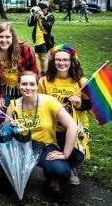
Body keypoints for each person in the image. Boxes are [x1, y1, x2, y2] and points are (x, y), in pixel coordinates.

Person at [0, 71, 78, 192]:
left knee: (60, 170)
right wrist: (11, 127)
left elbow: (72, 126)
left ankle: (51, 178)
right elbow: (6, 134)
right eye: (24, 84)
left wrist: (65, 154)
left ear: (37, 86)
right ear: (19, 85)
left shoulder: (49, 101)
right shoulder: (13, 105)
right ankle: (15, 174)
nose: (28, 87)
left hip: (45, 146)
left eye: (32, 84)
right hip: (21, 145)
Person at [38, 44, 91, 185]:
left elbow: (90, 105)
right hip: (53, 129)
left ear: (72, 61)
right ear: (53, 61)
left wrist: (80, 104)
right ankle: (53, 173)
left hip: (75, 128)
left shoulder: (81, 82)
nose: (62, 63)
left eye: (65, 60)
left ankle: (71, 166)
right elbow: (40, 105)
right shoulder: (44, 81)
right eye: (58, 60)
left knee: (78, 156)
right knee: (53, 158)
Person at [0, 23, 39, 110]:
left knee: (24, 109)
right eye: (0, 37)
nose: (4, 40)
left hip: (23, 84)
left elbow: (33, 70)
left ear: (13, 37)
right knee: (3, 109)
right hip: (1, 86)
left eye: (7, 37)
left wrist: (31, 89)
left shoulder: (24, 49)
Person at [27, 0, 55, 75]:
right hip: (37, 39)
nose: (41, 10)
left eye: (43, 8)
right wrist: (32, 15)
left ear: (47, 8)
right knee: (39, 58)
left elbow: (48, 27)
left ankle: (46, 75)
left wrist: (42, 18)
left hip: (44, 39)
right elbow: (30, 24)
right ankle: (42, 73)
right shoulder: (37, 15)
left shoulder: (50, 16)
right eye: (40, 8)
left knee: (44, 58)